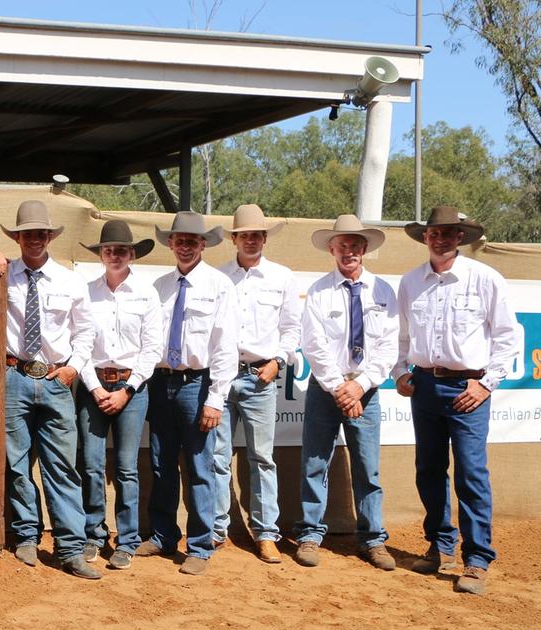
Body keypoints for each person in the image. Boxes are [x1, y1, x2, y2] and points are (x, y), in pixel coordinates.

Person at [393, 206, 520, 595]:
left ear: (461, 237)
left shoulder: (485, 278)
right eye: (435, 232)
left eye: (450, 232)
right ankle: (440, 545)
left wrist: (486, 385)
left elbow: (508, 336)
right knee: (428, 469)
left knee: (470, 473)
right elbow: (401, 336)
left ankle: (478, 558)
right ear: (425, 236)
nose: (441, 238)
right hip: (426, 387)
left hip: (469, 388)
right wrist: (400, 373)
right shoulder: (411, 281)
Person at [0, 200, 99, 580]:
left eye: (41, 233)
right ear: (17, 238)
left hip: (55, 379)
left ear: (49, 237)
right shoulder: (2, 272)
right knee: (16, 463)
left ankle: (70, 547)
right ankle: (26, 534)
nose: (34, 239)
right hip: (14, 375)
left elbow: (86, 332)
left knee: (61, 466)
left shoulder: (70, 280)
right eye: (27, 233)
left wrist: (73, 370)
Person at [294, 214, 398, 572]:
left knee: (368, 468)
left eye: (355, 244)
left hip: (366, 389)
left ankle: (373, 540)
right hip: (327, 390)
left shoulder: (383, 291)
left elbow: (388, 346)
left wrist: (360, 385)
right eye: (342, 245)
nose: (349, 251)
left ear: (364, 248)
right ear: (331, 249)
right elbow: (314, 344)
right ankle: (309, 534)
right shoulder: (319, 291)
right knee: (314, 463)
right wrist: (341, 387)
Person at [140, 210, 237, 576]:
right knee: (162, 464)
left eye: (191, 241)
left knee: (199, 467)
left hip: (197, 383)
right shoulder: (160, 286)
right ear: (170, 243)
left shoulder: (218, 285)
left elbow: (225, 345)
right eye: (178, 240)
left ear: (203, 245)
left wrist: (216, 398)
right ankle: (164, 535)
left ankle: (199, 545)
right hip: (160, 382)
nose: (184, 246)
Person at [211, 205, 301, 564]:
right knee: (217, 457)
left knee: (262, 458)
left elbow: (293, 328)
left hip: (260, 376)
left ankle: (266, 534)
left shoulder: (283, 277)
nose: (250, 239)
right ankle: (218, 529)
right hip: (221, 375)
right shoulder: (218, 277)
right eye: (244, 234)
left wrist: (278, 360)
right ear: (234, 239)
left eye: (256, 234)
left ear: (264, 238)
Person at [74, 220, 161, 571]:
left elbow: (152, 350)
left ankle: (127, 540)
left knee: (126, 468)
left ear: (132, 255)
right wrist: (95, 387)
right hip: (92, 385)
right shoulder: (86, 291)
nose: (114, 255)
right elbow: (77, 343)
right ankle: (94, 533)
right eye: (108, 250)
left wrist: (127, 390)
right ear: (100, 254)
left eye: (121, 250)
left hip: (131, 388)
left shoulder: (147, 294)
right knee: (91, 464)